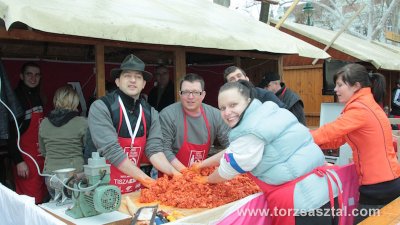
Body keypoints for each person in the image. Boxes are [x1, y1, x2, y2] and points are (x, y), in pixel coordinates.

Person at [195, 80, 341, 225]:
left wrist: (205, 181)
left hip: (302, 202)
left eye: (233, 105)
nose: (227, 112)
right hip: (327, 190)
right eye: (222, 108)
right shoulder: (269, 111)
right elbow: (233, 151)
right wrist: (202, 165)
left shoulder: (249, 131)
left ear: (248, 100)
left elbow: (229, 167)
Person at [311, 63, 400, 223]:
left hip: (377, 185)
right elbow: (337, 138)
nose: (335, 89)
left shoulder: (359, 109)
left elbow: (330, 131)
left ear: (356, 86)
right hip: (387, 180)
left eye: (340, 85)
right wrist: (316, 143)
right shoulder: (369, 104)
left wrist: (300, 138)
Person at [87, 54, 179, 194]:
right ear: (118, 81)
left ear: (143, 84)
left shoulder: (151, 112)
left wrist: (176, 174)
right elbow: (112, 152)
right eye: (127, 76)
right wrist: (148, 181)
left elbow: (154, 150)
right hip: (103, 190)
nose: (132, 80)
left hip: (135, 188)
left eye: (138, 77)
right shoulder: (101, 107)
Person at [159, 73, 230, 171]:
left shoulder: (216, 115)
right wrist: (186, 173)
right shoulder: (167, 114)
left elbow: (231, 145)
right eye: (186, 92)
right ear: (180, 94)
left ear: (203, 95)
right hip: (171, 174)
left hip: (200, 172)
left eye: (196, 92)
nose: (191, 97)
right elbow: (164, 149)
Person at [8, 62, 47, 203]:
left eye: (37, 75)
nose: (33, 78)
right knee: (29, 203)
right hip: (25, 161)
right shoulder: (16, 99)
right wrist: (18, 161)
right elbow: (11, 133)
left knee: (41, 200)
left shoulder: (37, 96)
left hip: (39, 158)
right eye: (29, 74)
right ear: (21, 76)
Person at [38, 85, 87, 197]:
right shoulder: (82, 122)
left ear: (56, 100)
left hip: (51, 175)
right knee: (75, 208)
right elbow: (88, 148)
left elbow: (43, 151)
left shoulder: (44, 123)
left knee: (56, 207)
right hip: (75, 174)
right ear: (75, 101)